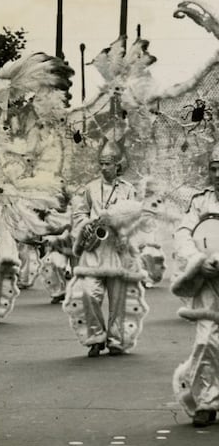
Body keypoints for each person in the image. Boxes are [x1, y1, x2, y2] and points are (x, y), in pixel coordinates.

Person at [63, 141, 149, 357]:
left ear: (118, 166)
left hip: (118, 251)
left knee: (118, 301)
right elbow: (79, 214)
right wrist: (86, 226)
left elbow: (138, 219)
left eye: (108, 164)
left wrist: (124, 232)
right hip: (94, 251)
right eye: (101, 164)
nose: (103, 168)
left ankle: (116, 340)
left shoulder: (129, 190)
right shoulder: (90, 188)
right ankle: (96, 336)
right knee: (88, 293)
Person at [171, 143, 219, 427]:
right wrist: (198, 259)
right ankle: (206, 402)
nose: (217, 174)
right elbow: (183, 233)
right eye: (213, 169)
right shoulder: (200, 201)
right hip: (208, 284)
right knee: (205, 342)